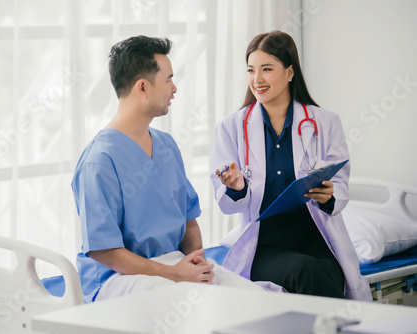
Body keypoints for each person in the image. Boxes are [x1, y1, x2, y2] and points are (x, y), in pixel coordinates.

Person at [71, 35, 264, 303]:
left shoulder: (165, 146)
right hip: (117, 277)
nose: (174, 88)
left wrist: (196, 262)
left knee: (253, 299)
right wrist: (173, 274)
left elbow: (188, 220)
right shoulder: (99, 161)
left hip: (172, 264)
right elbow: (105, 251)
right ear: (142, 88)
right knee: (199, 304)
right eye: (168, 79)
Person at [211, 30, 372, 301]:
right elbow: (226, 202)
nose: (256, 79)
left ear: (289, 72)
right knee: (307, 271)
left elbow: (341, 185)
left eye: (267, 69)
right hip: (264, 244)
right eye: (251, 70)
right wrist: (237, 188)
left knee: (327, 271)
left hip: (316, 239)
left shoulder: (325, 122)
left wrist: (328, 195)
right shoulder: (231, 128)